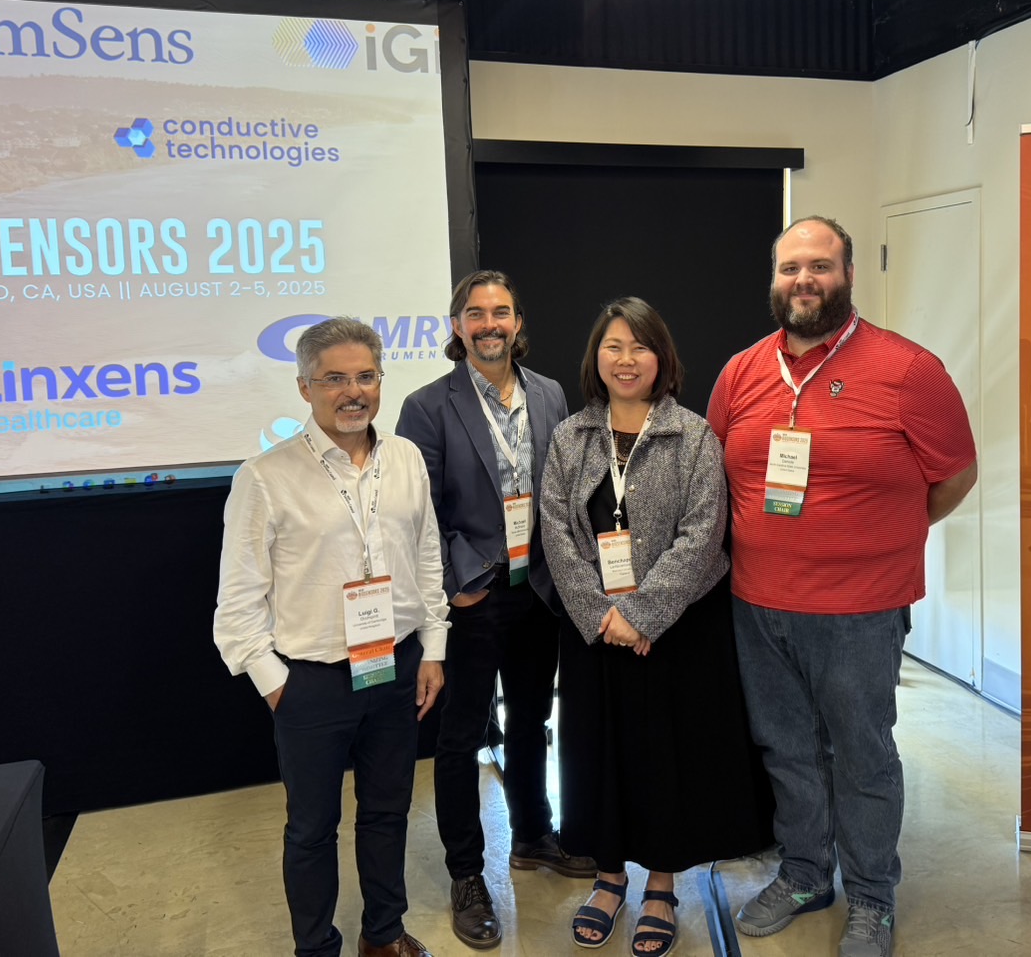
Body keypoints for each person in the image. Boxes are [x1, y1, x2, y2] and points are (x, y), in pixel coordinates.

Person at [707, 217, 977, 957]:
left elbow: (954, 475)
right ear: (774, 279)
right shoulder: (741, 372)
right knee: (786, 748)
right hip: (758, 602)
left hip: (860, 610)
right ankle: (804, 875)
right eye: (790, 267)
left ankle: (871, 896)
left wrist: (883, 535)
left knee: (862, 756)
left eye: (820, 266)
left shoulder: (909, 370)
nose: (804, 280)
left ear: (848, 274)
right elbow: (719, 470)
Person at [540, 297, 774, 956]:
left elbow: (704, 535)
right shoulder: (570, 437)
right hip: (593, 632)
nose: (625, 359)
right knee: (597, 755)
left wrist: (642, 615)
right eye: (612, 346)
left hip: (675, 632)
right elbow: (556, 534)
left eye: (639, 346)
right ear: (595, 357)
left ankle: (663, 885)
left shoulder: (693, 436)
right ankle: (609, 877)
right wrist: (601, 615)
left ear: (661, 357)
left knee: (667, 755)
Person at [214, 316, 448, 957]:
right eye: (335, 379)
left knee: (387, 813)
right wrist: (278, 686)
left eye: (366, 376)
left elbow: (427, 557)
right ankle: (316, 948)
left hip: (396, 670)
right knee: (312, 830)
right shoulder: (265, 477)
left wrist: (433, 648)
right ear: (304, 388)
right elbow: (237, 603)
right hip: (311, 682)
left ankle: (383, 935)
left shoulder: (405, 459)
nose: (354, 392)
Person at [396, 270, 593, 950]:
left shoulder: (549, 393)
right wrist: (456, 584)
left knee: (533, 720)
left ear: (517, 322)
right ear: (456, 326)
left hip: (537, 589)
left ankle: (533, 835)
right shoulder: (427, 406)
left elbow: (562, 489)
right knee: (460, 739)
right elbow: (420, 513)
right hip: (474, 596)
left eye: (500, 312)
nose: (489, 324)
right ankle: (467, 875)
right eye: (475, 313)